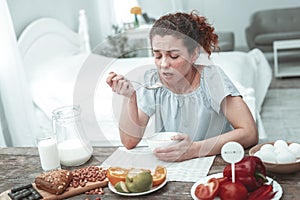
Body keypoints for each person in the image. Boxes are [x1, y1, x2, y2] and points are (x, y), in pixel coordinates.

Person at [106, 11, 258, 162]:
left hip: (217, 162)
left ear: (194, 55)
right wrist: (129, 97)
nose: (164, 64)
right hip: (173, 167)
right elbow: (129, 142)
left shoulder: (212, 79)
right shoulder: (152, 80)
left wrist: (195, 149)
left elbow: (249, 132)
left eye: (173, 56)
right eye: (157, 55)